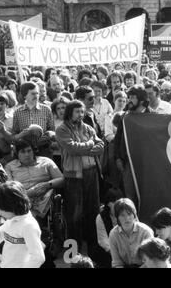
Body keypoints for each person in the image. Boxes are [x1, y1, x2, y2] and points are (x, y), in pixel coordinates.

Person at [55, 100, 104, 255]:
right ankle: (73, 255)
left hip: (92, 173)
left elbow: (101, 145)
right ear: (70, 112)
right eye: (77, 112)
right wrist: (90, 145)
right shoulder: (62, 129)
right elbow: (72, 148)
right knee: (74, 216)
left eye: (82, 112)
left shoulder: (88, 128)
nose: (81, 115)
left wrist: (91, 147)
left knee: (93, 213)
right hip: (74, 176)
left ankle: (94, 252)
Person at [5, 140, 64, 218]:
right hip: (21, 196)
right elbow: (9, 187)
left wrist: (47, 185)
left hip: (44, 193)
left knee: (50, 193)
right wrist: (26, 193)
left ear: (33, 151)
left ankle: (36, 216)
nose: (27, 154)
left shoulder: (46, 162)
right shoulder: (9, 167)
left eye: (29, 151)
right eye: (23, 152)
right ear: (17, 154)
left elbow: (61, 179)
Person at [0, 82, 55, 157]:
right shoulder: (18, 112)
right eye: (33, 94)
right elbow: (14, 135)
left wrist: (47, 136)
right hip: (25, 152)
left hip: (44, 151)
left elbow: (52, 130)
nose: (36, 96)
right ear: (25, 95)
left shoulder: (46, 109)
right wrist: (23, 134)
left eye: (37, 93)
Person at [114, 85, 150, 207]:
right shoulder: (125, 117)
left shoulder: (152, 116)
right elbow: (118, 139)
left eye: (133, 97)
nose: (129, 100)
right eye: (128, 97)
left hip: (146, 163)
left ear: (141, 100)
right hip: (128, 163)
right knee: (130, 195)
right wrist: (117, 157)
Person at [0, 181, 45, 268]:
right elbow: (1, 233)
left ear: (9, 207)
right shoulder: (12, 219)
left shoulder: (28, 226)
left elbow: (38, 258)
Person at [109, 198, 154, 268]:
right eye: (122, 215)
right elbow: (116, 263)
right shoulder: (113, 235)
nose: (127, 218)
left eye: (129, 214)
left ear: (134, 215)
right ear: (117, 217)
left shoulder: (146, 232)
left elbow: (151, 261)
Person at [95, 188, 124, 268]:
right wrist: (115, 253)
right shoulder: (101, 217)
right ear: (108, 203)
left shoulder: (127, 214)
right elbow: (103, 240)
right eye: (114, 202)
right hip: (108, 251)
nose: (118, 205)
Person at [0, 93, 13, 165]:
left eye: (2, 103)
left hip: (7, 157)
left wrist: (4, 131)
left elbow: (14, 141)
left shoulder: (12, 120)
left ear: (6, 105)